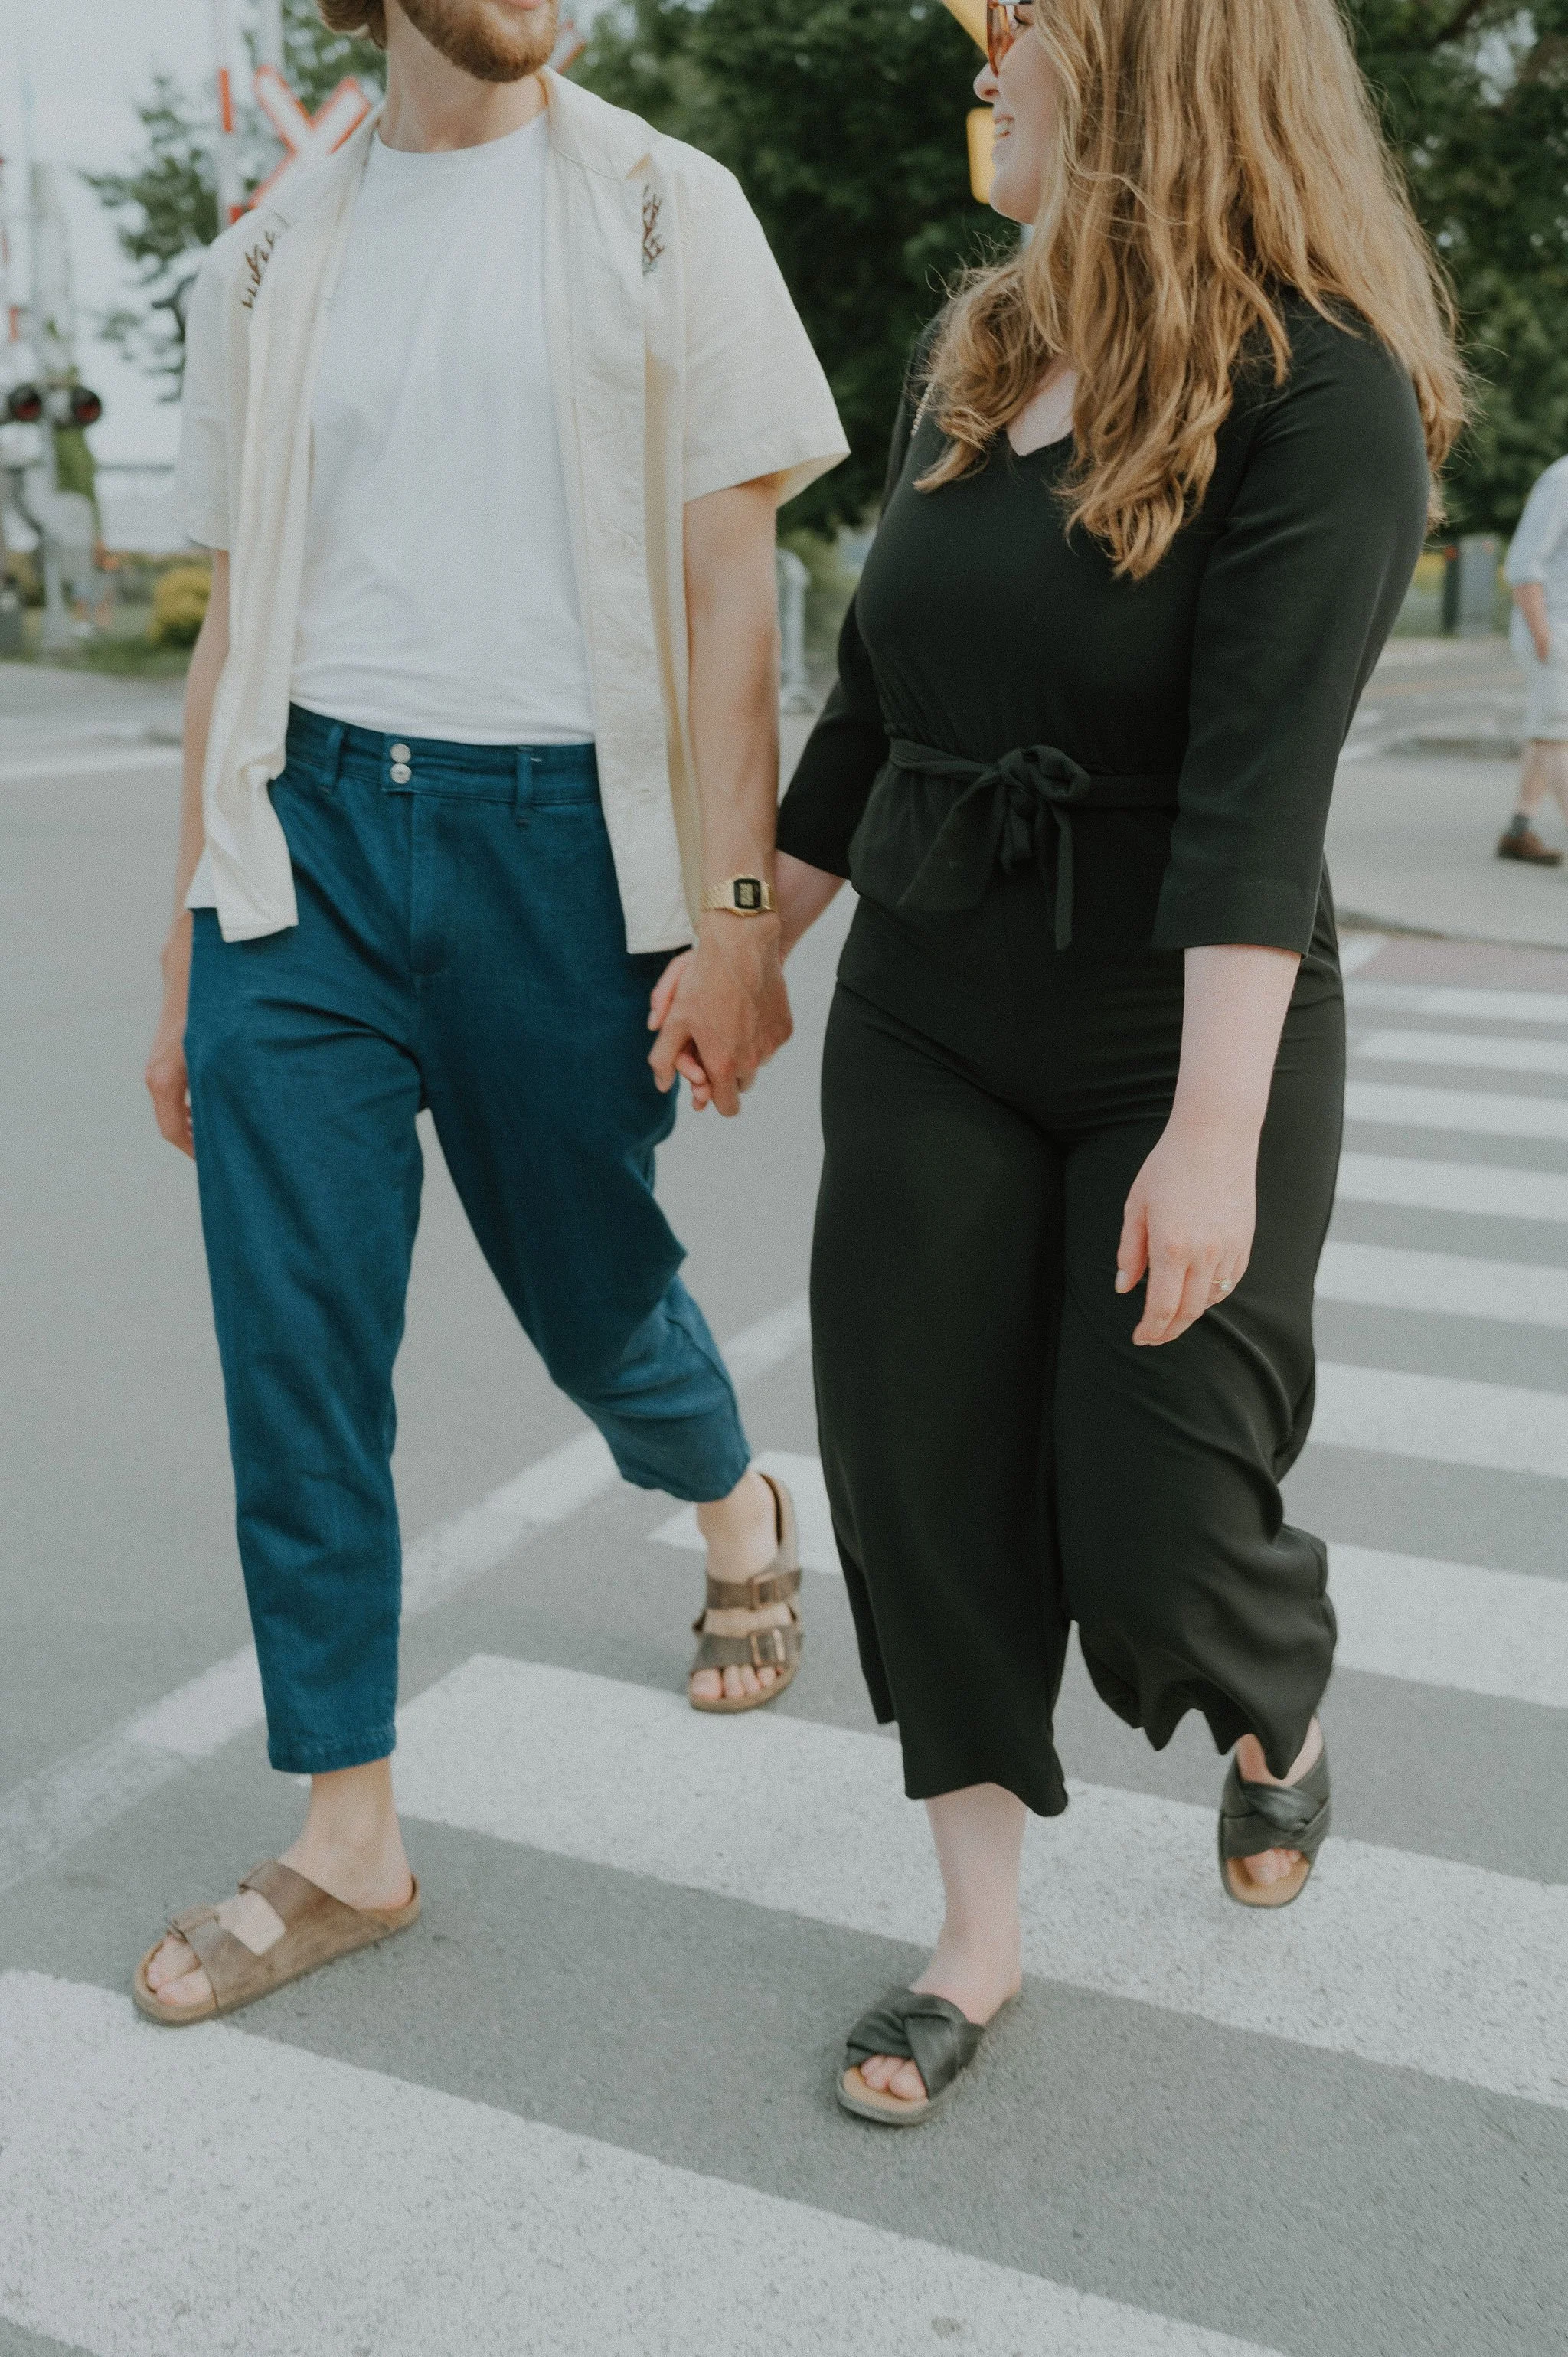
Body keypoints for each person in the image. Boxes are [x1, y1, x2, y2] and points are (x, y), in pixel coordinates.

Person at [767, 0, 1462, 2124]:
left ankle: (1276, 1698)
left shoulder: (1326, 385)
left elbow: (1258, 800)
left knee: (1161, 1508)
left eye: (1029, 16)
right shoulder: (982, 354)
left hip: (1190, 1012)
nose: (993, 43)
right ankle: (973, 1937)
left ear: (1155, 53)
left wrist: (1218, 1130)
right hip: (932, 1002)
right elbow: (881, 699)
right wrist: (746, 948)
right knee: (919, 1461)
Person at [135, 0, 844, 2025]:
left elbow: (735, 622)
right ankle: (347, 1830)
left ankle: (734, 1500)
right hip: (309, 847)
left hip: (565, 852)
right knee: (296, 1339)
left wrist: (737, 925)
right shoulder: (260, 259)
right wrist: (195, 927)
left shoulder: (663, 212)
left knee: (591, 1280)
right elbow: (232, 630)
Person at [1498, 455, 1568, 866]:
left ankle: (1519, 830)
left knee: (1547, 732)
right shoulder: (1562, 481)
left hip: (1558, 628)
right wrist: (1544, 635)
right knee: (1560, 736)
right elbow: (1524, 564)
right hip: (1554, 628)